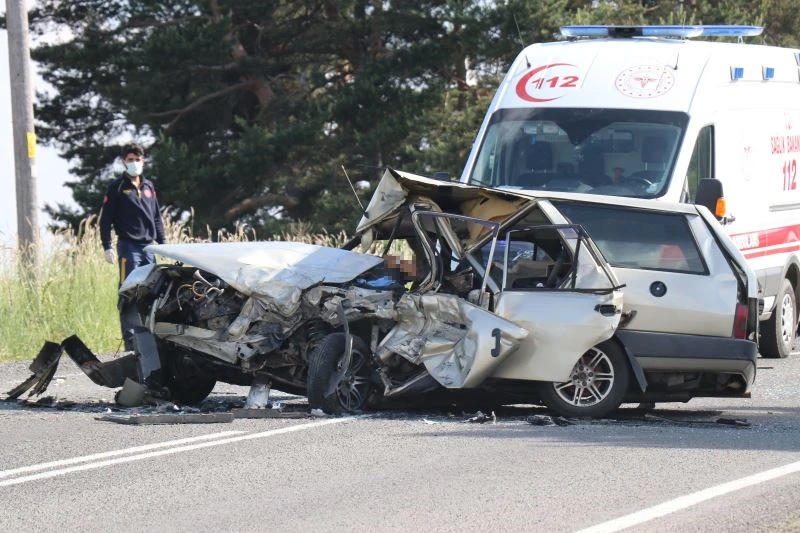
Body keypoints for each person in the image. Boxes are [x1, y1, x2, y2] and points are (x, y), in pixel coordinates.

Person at [99, 142, 166, 284]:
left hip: (149, 247)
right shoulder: (116, 187)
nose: (134, 163)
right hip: (129, 247)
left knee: (150, 288)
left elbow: (156, 217)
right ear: (124, 162)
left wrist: (163, 243)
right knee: (129, 287)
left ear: (143, 161)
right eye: (130, 160)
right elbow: (106, 219)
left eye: (137, 159)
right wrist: (107, 246)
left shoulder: (149, 186)